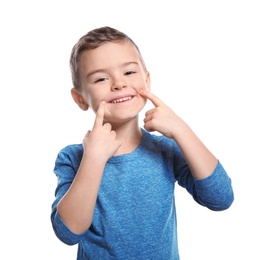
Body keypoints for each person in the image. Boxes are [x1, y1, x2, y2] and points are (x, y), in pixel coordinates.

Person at [51, 26, 234, 259]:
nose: (119, 84)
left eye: (128, 73)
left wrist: (181, 129)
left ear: (146, 81)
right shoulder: (72, 157)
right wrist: (94, 158)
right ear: (80, 98)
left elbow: (221, 199)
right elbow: (68, 233)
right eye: (100, 78)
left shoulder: (165, 149)